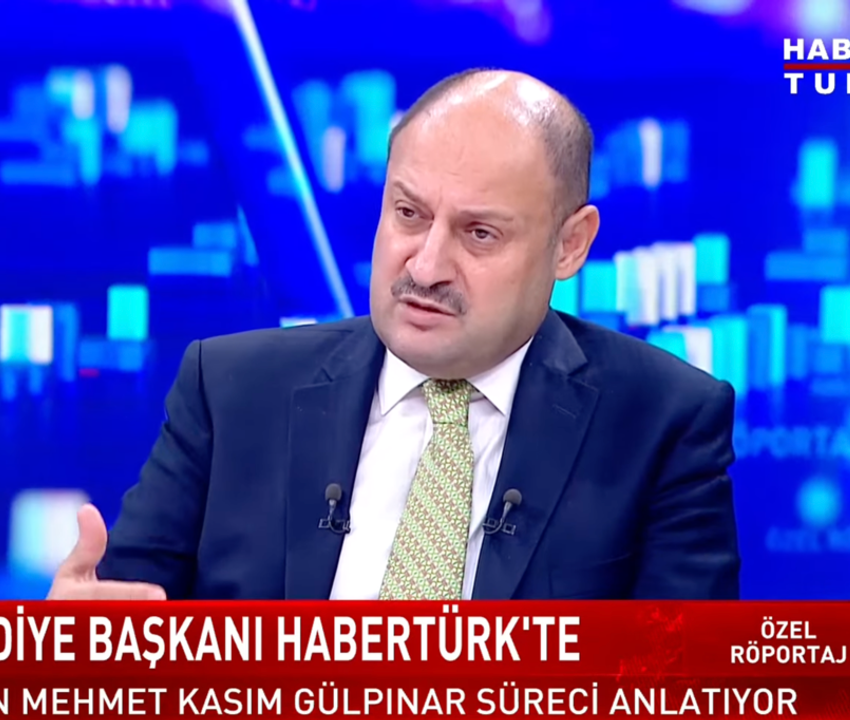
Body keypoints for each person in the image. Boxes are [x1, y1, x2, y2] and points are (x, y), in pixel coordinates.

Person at [48, 68, 740, 601]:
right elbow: (120, 631)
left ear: (570, 245)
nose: (427, 266)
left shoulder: (663, 422)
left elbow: (683, 683)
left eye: (480, 233)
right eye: (409, 214)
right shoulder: (228, 390)